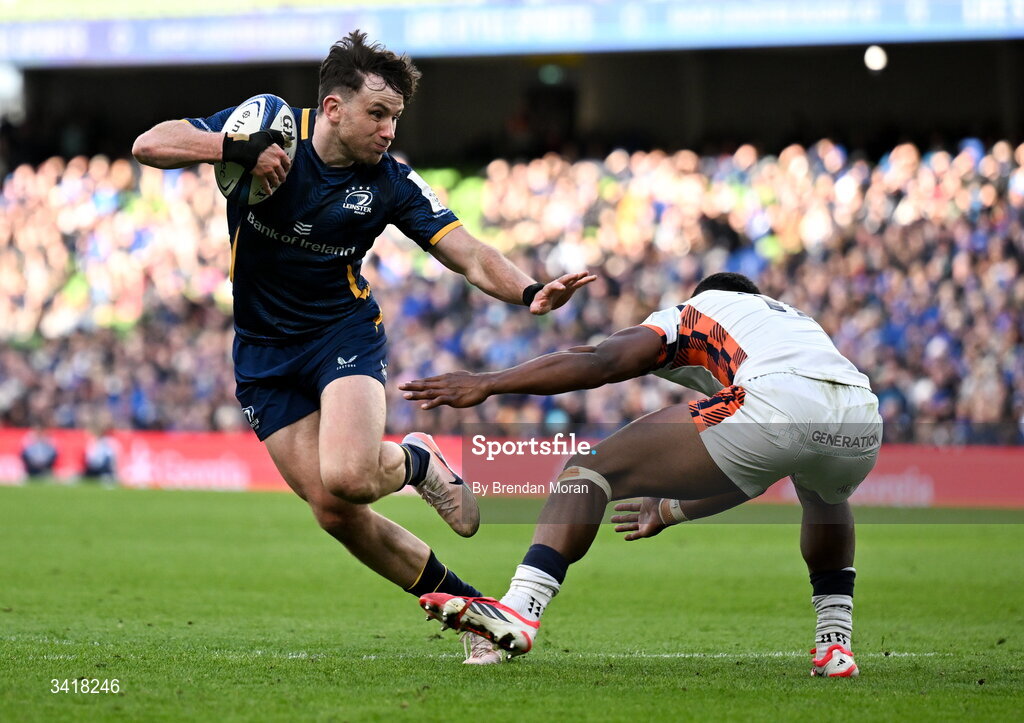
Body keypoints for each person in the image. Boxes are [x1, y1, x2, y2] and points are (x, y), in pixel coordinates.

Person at [131, 30, 593, 664]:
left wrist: (529, 290)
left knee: (349, 475)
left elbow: (469, 253)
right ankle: (476, 615)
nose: (388, 131)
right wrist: (232, 147)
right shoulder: (266, 123)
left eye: (396, 118)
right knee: (334, 510)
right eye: (378, 114)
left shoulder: (392, 182)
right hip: (263, 353)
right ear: (332, 109)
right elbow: (148, 144)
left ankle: (416, 462)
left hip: (340, 334)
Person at [402, 272, 881, 677]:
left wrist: (488, 383)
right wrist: (671, 510)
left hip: (777, 401)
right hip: (861, 418)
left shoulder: (699, 309)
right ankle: (834, 645)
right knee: (824, 498)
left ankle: (521, 608)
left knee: (588, 472)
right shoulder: (792, 323)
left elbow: (605, 360)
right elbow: (760, 467)